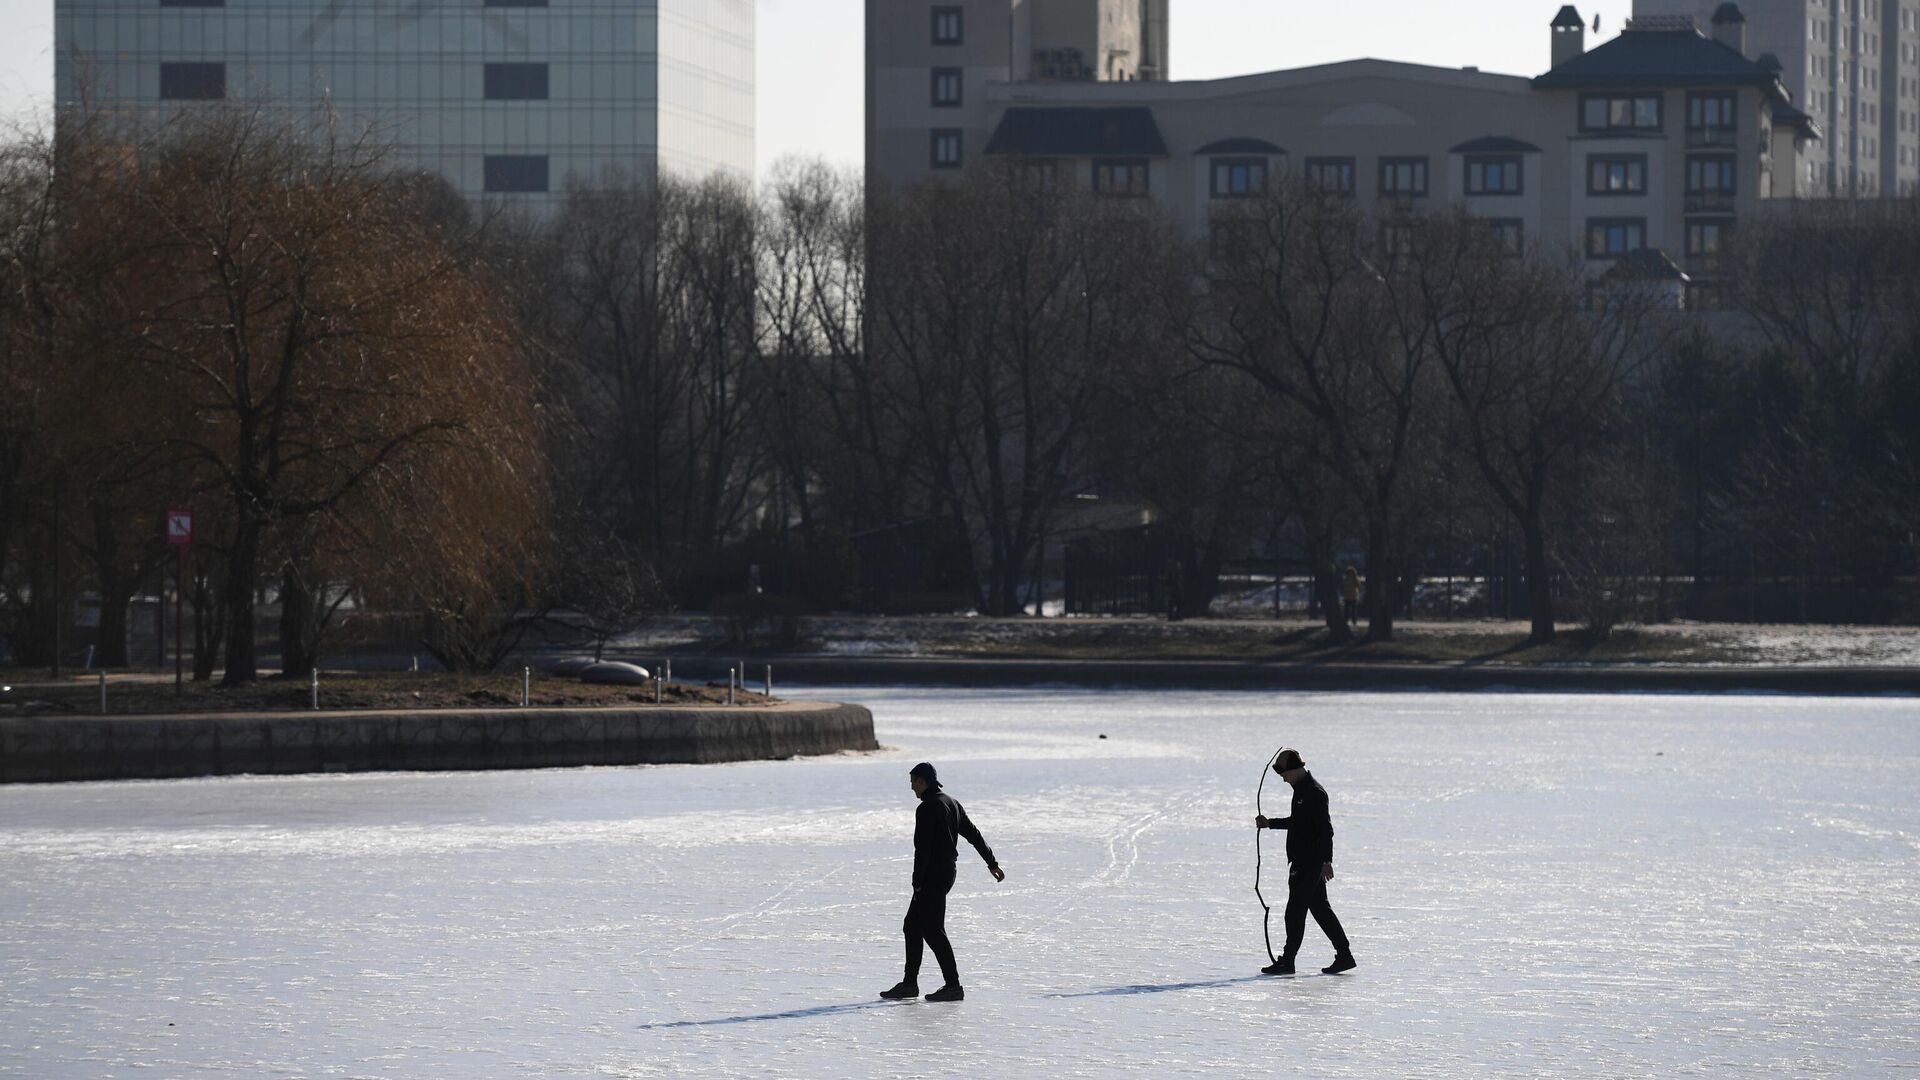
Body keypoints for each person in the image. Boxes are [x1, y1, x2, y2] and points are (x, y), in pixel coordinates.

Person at [881, 762, 1004, 1002]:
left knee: (933, 930)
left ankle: (953, 986)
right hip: (947, 872)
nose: (911, 788)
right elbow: (974, 834)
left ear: (922, 781)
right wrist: (992, 862)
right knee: (912, 925)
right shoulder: (952, 803)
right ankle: (909, 984)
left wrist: (917, 882)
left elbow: (922, 849)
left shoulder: (927, 808)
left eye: (913, 782)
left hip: (932, 876)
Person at [1254, 748, 1355, 975]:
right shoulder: (1301, 790)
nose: (1283, 778)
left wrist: (1327, 861)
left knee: (1295, 912)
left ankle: (1287, 961)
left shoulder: (1314, 793)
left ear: (1296, 769)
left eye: (1284, 774)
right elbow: (1298, 822)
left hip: (1309, 863)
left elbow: (1325, 830)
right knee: (1320, 910)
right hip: (1305, 861)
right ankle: (1345, 955)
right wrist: (1269, 823)